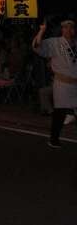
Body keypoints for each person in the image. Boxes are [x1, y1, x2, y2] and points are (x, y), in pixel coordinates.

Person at [32, 18, 77, 148]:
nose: (69, 30)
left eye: (71, 27)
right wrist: (42, 31)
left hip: (75, 84)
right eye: (66, 27)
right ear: (62, 29)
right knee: (60, 112)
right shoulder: (55, 43)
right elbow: (37, 47)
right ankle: (54, 139)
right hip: (62, 84)